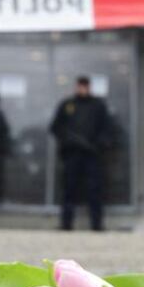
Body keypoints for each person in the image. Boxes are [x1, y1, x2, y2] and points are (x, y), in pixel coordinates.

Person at [49, 76, 113, 231]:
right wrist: (68, 141)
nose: (82, 89)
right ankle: (66, 223)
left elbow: (107, 129)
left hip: (92, 155)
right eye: (80, 86)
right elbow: (56, 127)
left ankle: (96, 224)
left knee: (94, 190)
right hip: (72, 154)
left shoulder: (98, 106)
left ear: (89, 87)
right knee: (69, 189)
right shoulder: (67, 105)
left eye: (85, 86)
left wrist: (98, 144)